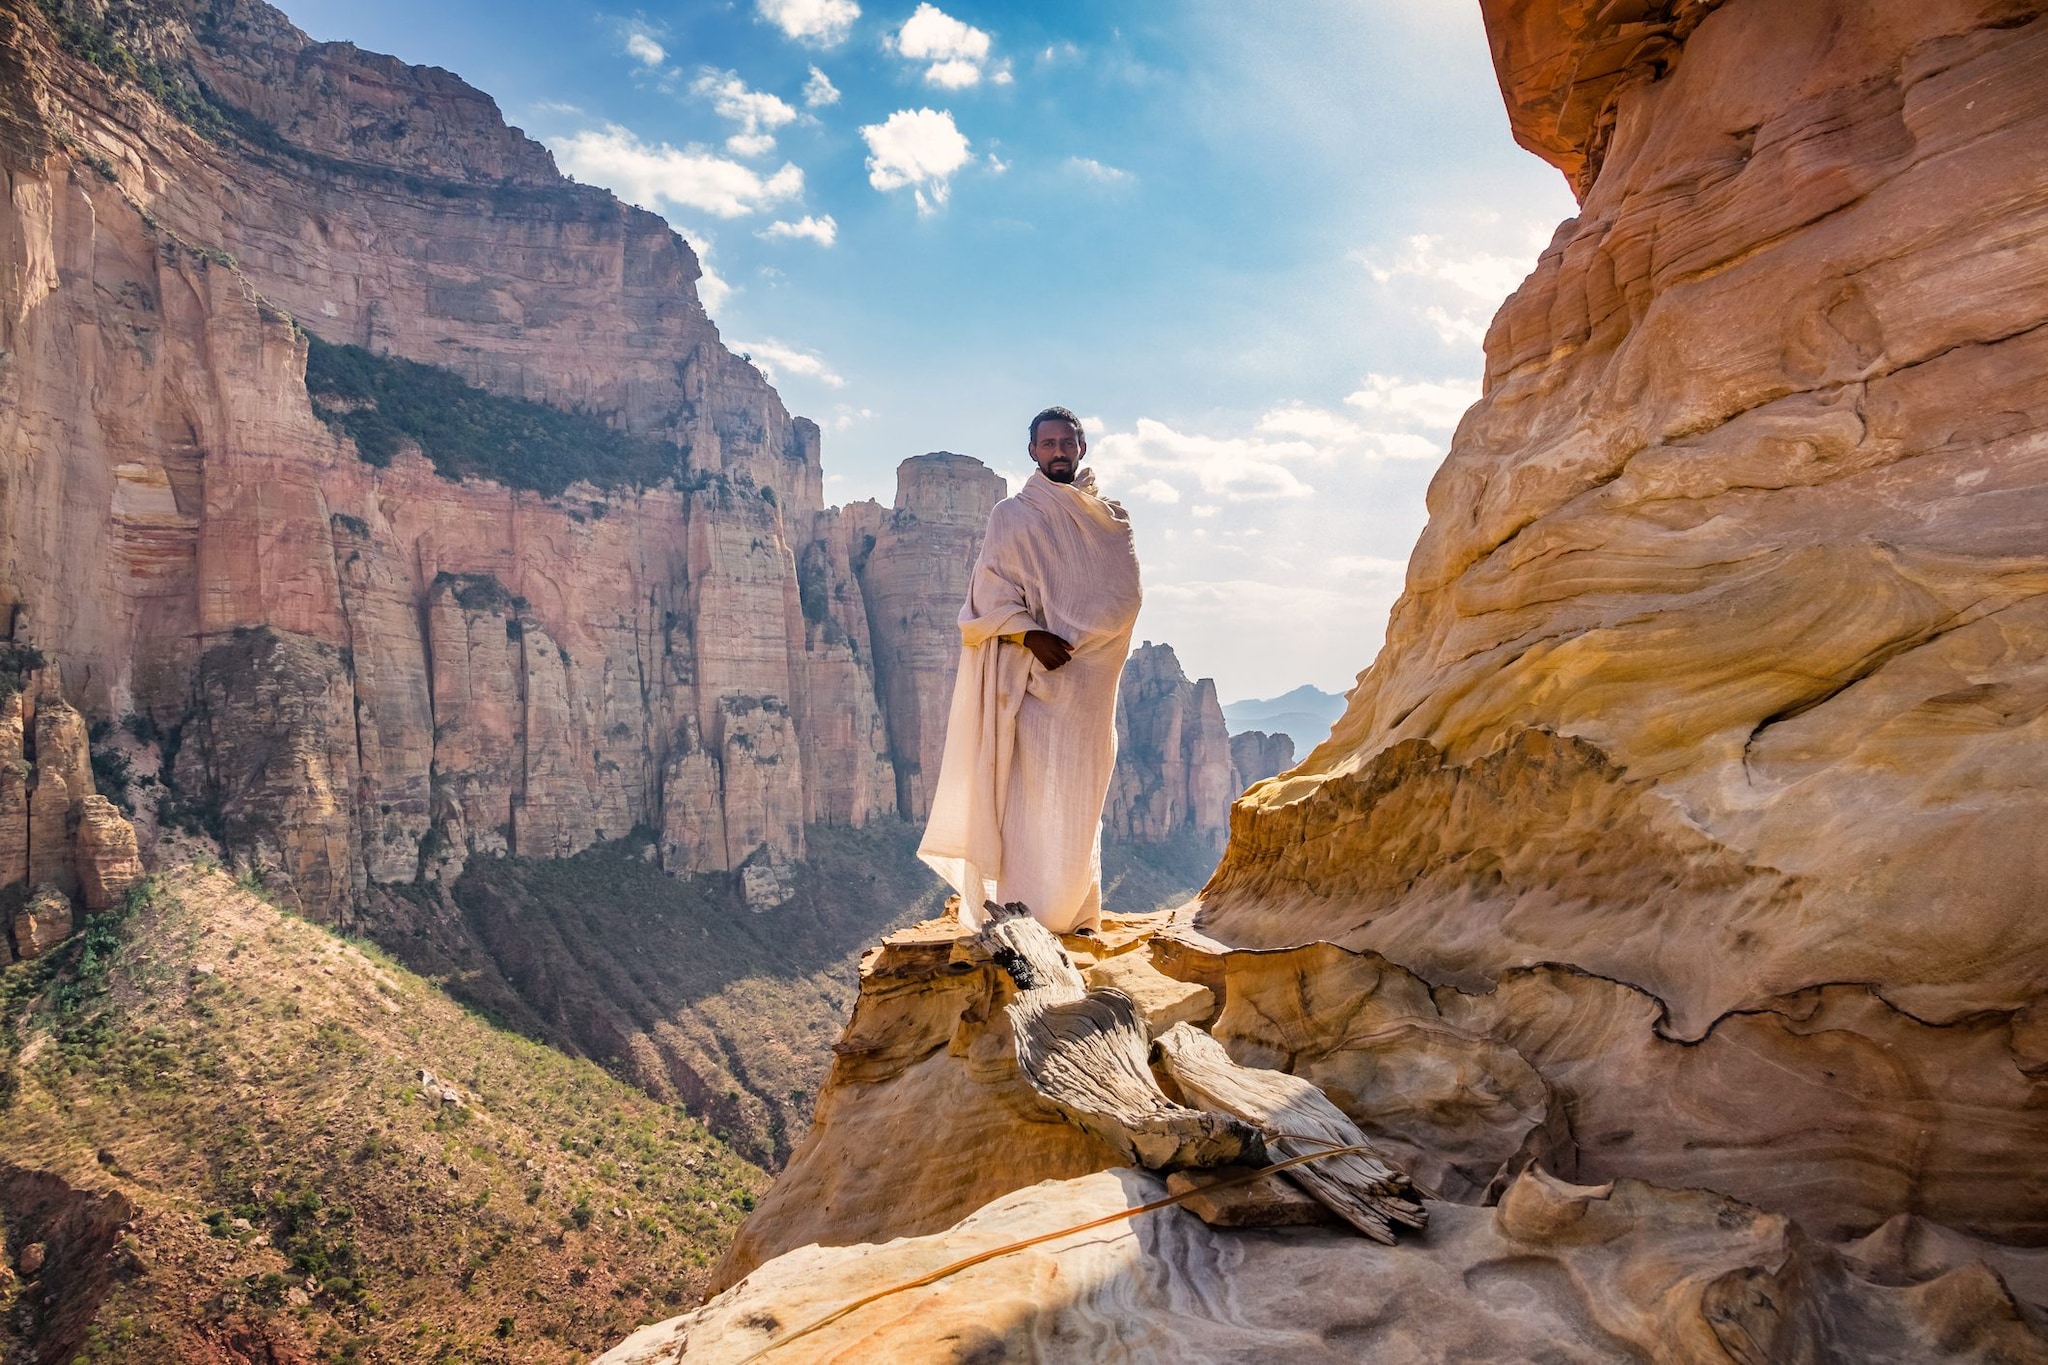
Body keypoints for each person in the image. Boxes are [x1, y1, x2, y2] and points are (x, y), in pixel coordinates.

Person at [918, 406, 1142, 934]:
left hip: (1089, 688)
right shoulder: (1011, 516)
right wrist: (1030, 634)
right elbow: (988, 596)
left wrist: (1083, 641)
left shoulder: (1109, 518)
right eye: (1049, 444)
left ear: (1081, 447)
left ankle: (1078, 911)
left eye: (1067, 441)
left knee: (1080, 797)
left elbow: (1126, 596)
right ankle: (1029, 918)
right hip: (1033, 682)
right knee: (1030, 799)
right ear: (1033, 452)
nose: (1059, 450)